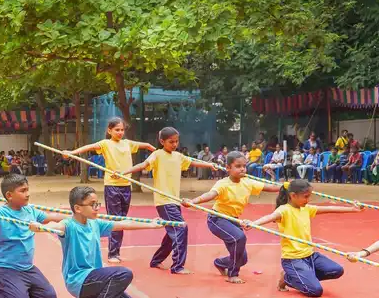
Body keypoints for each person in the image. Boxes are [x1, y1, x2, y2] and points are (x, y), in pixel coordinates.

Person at [42, 185, 148, 298]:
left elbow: (123, 224)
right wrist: (40, 226)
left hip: (95, 279)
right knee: (123, 274)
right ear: (78, 208)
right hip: (79, 279)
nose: (97, 208)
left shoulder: (95, 224)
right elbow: (55, 226)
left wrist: (153, 224)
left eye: (97, 204)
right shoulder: (68, 225)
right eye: (92, 205)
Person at [124, 126, 214, 275]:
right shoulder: (157, 155)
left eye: (176, 141)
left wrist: (209, 165)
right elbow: (144, 165)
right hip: (164, 201)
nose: (174, 144)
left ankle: (156, 260)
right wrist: (124, 172)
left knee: (171, 232)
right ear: (162, 141)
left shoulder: (178, 156)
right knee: (181, 228)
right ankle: (177, 266)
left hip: (174, 200)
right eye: (171, 141)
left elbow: (192, 162)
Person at [250, 179, 362, 297]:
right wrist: (253, 223)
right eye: (305, 197)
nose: (308, 200)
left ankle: (299, 276)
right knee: (315, 291)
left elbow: (329, 209)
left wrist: (352, 209)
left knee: (337, 270)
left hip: (310, 255)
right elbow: (270, 216)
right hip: (293, 259)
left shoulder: (306, 208)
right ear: (293, 195)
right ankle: (288, 277)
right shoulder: (284, 210)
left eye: (309, 197)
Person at [67, 117, 155, 263]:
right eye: (117, 130)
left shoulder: (128, 144)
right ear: (109, 130)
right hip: (112, 186)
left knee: (122, 220)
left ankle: (116, 251)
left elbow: (144, 145)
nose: (120, 132)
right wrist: (71, 152)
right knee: (115, 219)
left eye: (122, 130)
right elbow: (88, 147)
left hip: (126, 186)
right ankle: (112, 253)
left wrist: (154, 149)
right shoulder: (105, 144)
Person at [188, 151, 280, 284]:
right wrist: (193, 201)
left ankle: (219, 263)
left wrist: (286, 187)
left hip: (234, 219)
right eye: (238, 166)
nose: (242, 169)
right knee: (239, 238)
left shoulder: (248, 182)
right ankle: (233, 274)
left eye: (244, 166)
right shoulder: (223, 184)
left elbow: (270, 187)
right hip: (217, 219)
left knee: (242, 259)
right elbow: (211, 194)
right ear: (228, 168)